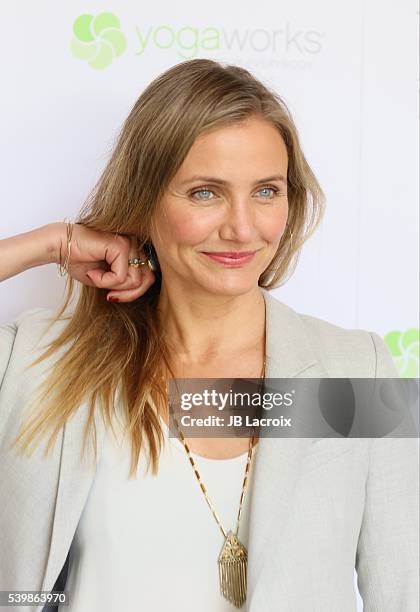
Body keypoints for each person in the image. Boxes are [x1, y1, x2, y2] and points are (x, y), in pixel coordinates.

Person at [0, 59, 418, 612]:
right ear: (146, 200)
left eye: (267, 191)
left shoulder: (355, 367)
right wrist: (49, 244)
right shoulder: (44, 364)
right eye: (205, 192)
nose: (243, 228)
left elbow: (403, 593)